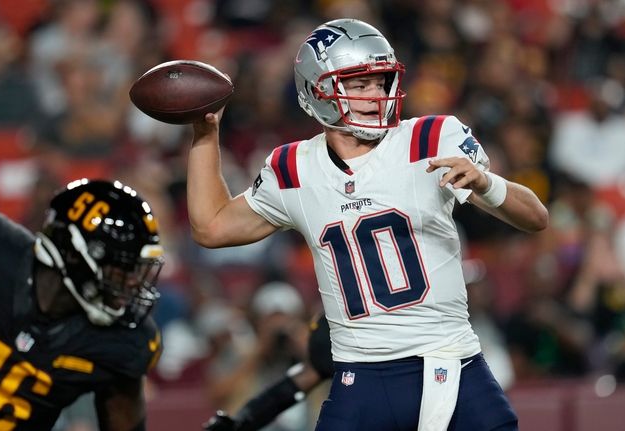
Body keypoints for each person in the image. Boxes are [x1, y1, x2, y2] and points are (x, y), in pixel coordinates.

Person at [188, 18, 548, 431]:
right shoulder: (293, 168)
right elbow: (211, 227)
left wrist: (488, 183)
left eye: (380, 82)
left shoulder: (431, 138)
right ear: (316, 90)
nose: (376, 94)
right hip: (359, 377)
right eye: (359, 85)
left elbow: (536, 217)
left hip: (449, 362)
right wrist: (204, 134)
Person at [0, 179, 164, 430]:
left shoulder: (124, 341)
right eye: (123, 268)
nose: (133, 282)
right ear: (75, 253)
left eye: (137, 269)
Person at [203, 313, 331, 431]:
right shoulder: (241, 354)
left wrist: (306, 345)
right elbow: (217, 396)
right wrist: (260, 351)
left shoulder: (310, 358)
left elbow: (319, 370)